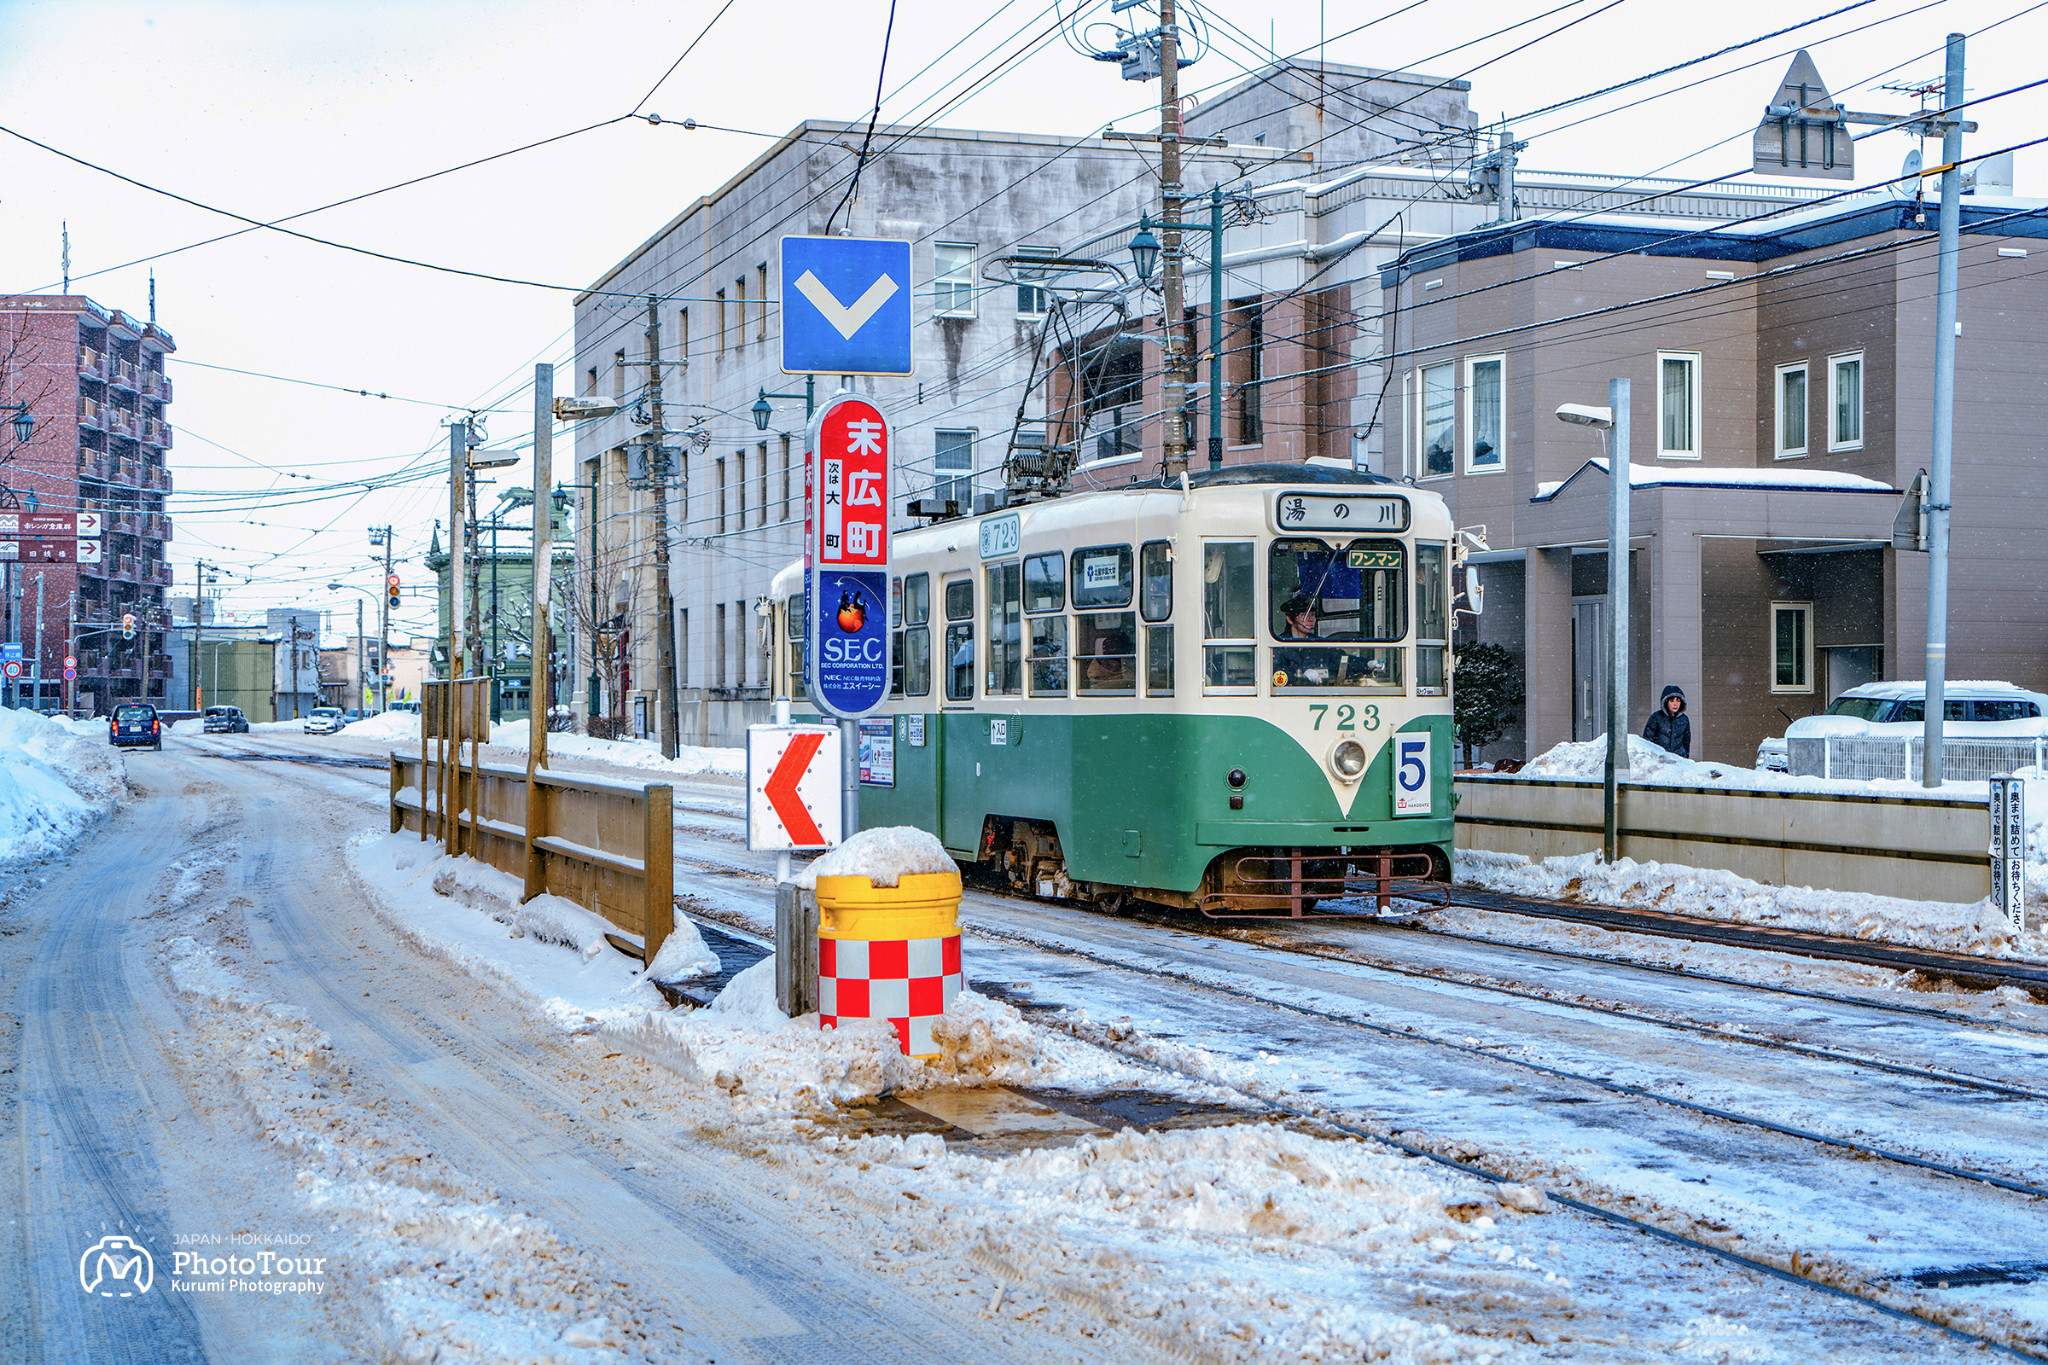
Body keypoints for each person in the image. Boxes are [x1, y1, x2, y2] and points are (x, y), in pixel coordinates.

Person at [1643, 684, 1690, 757]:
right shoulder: (1656, 717)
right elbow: (1647, 740)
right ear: (1666, 702)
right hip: (1660, 760)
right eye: (1672, 701)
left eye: (1678, 701)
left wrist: (1685, 757)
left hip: (1679, 760)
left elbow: (1686, 742)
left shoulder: (1684, 720)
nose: (1675, 704)